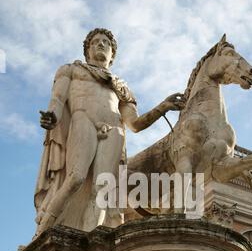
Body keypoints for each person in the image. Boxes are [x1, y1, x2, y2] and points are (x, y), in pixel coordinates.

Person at [34, 28, 185, 235]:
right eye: (95, 42)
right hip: (83, 119)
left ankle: (89, 240)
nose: (101, 44)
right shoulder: (72, 70)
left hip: (114, 129)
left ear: (112, 54)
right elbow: (58, 99)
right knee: (76, 178)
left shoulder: (120, 87)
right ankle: (42, 232)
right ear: (87, 50)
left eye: (106, 42)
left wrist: (163, 107)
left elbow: (134, 124)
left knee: (102, 190)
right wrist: (52, 116)